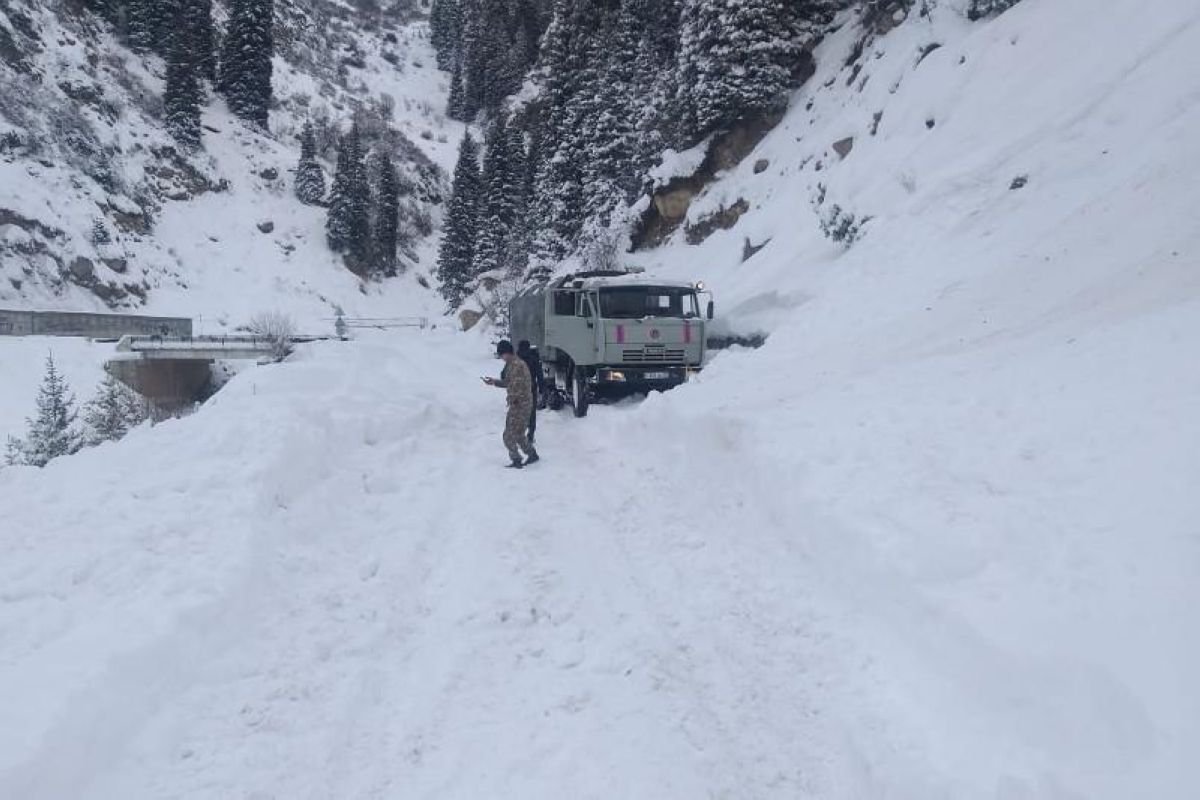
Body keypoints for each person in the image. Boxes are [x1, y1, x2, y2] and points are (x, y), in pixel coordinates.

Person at [483, 340, 540, 468]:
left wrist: (513, 401)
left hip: (519, 405)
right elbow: (509, 382)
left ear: (507, 353)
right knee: (519, 434)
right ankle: (532, 454)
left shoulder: (517, 365)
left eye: (502, 355)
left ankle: (516, 460)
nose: (502, 358)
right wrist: (494, 382)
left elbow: (518, 387)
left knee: (508, 435)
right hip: (523, 404)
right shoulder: (513, 364)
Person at [517, 339, 544, 444]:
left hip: (518, 390)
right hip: (531, 389)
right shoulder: (533, 359)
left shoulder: (516, 358)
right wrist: (542, 389)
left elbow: (505, 374)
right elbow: (540, 375)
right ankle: (530, 435)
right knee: (532, 413)